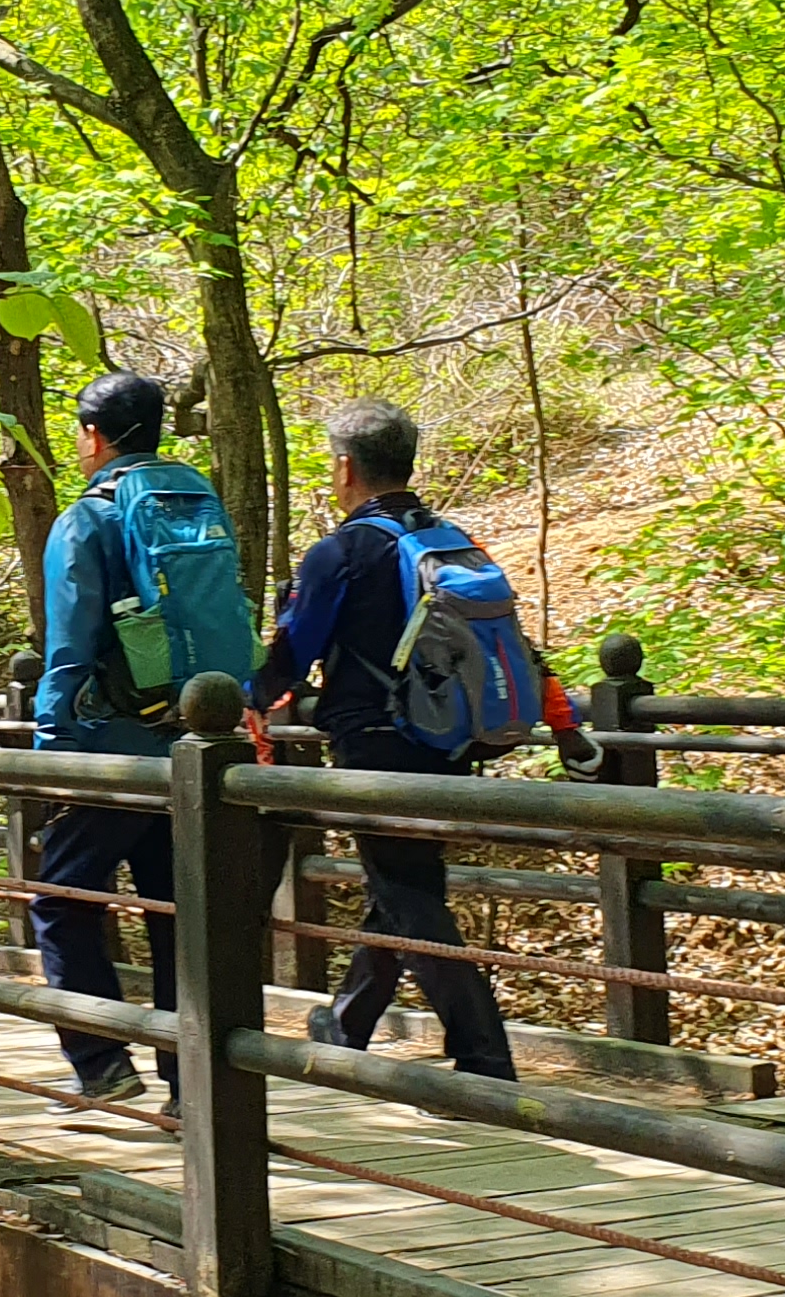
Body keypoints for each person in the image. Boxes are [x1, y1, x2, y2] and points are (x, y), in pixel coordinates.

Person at [246, 401, 603, 1076]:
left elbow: (293, 655)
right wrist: (564, 724)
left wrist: (245, 699)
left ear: (345, 467)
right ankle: (346, 1023)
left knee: (408, 894)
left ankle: (485, 1056)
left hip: (374, 743)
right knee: (405, 882)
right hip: (447, 737)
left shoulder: (341, 552)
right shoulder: (452, 540)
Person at [28, 373, 246, 1106]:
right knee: (176, 913)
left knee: (62, 900)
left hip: (111, 742)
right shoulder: (196, 499)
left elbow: (69, 644)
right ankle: (192, 1084)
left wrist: (53, 745)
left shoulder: (87, 519)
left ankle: (101, 1061)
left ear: (93, 434)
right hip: (190, 740)